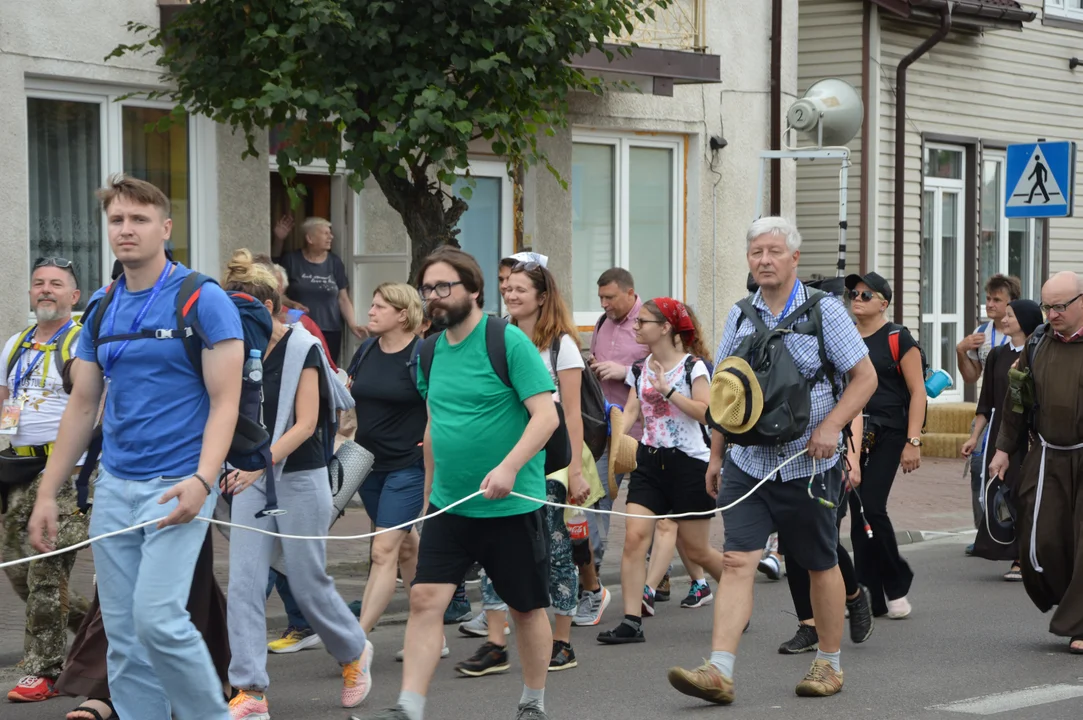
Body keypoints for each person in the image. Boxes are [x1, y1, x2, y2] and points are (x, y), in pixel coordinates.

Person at [27, 174, 242, 719]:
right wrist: (49, 492)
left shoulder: (203, 298)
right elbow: (82, 405)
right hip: (115, 487)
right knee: (123, 636)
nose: (126, 229)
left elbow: (226, 402)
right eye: (117, 220)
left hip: (177, 485)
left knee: (159, 619)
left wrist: (203, 480)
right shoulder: (101, 305)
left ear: (165, 228)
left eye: (139, 219)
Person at [667, 216, 876, 703]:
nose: (763, 259)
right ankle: (719, 671)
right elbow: (726, 393)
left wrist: (830, 429)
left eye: (773, 251)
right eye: (756, 252)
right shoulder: (740, 314)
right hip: (748, 463)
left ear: (794, 258)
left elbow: (864, 378)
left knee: (819, 563)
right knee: (738, 560)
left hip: (808, 465)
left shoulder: (827, 311)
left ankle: (828, 663)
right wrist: (716, 453)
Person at [352, 246, 560, 720]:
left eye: (444, 287)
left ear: (474, 290)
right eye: (427, 288)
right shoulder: (426, 351)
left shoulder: (506, 341)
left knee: (526, 609)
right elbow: (433, 425)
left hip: (511, 505)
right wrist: (428, 497)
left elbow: (545, 417)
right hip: (451, 505)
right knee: (425, 598)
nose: (434, 296)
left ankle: (533, 702)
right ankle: (409, 706)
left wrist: (508, 467)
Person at [220, 250, 370, 718]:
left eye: (239, 311)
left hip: (300, 478)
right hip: (250, 478)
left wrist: (258, 464)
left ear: (265, 308)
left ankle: (353, 651)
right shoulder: (232, 349)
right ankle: (249, 690)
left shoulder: (303, 346)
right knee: (244, 582)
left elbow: (306, 425)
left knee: (308, 582)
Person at [462, 259, 591, 674]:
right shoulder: (495, 337)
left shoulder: (561, 347)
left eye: (520, 288)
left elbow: (572, 416)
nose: (511, 295)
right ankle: (496, 644)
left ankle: (563, 641)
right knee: (491, 547)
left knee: (555, 551)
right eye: (507, 287)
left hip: (547, 465)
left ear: (541, 296)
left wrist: (574, 470)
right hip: (501, 464)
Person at [596, 297, 724, 644]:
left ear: (666, 328)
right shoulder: (640, 369)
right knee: (635, 540)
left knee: (696, 550)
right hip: (650, 460)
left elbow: (705, 413)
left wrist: (667, 389)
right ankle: (631, 621)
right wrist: (617, 439)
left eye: (643, 322)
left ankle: (732, 590)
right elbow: (633, 411)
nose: (636, 327)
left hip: (691, 463)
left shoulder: (693, 367)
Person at [0, 258, 89, 702]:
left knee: (46, 570)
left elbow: (98, 408)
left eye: (57, 284)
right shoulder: (15, 344)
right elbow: (2, 404)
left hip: (65, 475)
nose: (46, 290)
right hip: (15, 471)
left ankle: (44, 670)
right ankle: (97, 633)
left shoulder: (80, 344)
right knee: (19, 571)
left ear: (75, 297)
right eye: (38, 283)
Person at [989, 271, 1083, 655]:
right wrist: (1002, 449)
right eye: (1047, 306)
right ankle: (1067, 600)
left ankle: (1078, 624)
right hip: (1047, 455)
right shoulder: (1039, 343)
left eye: (1060, 306)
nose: (1052, 313)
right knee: (1041, 539)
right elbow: (1017, 400)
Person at [844, 271, 925, 619]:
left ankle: (896, 581)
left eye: (866, 295)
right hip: (852, 434)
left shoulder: (897, 338)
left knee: (873, 507)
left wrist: (913, 441)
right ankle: (868, 593)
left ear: (884, 303)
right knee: (858, 513)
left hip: (891, 432)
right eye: (854, 294)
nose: (857, 299)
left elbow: (917, 391)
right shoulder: (843, 338)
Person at [351, 283, 427, 639]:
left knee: (383, 551)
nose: (371, 311)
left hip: (407, 466)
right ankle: (431, 630)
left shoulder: (423, 354)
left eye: (380, 306)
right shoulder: (366, 349)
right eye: (372, 304)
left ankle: (356, 641)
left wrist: (429, 445)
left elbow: (441, 406)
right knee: (406, 545)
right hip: (366, 467)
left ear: (402, 314)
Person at [574, 268, 648, 627]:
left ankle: (663, 576)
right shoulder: (603, 322)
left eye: (610, 298)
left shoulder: (651, 320)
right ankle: (592, 580)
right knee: (597, 500)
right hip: (604, 431)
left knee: (652, 510)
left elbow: (668, 362)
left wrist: (625, 372)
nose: (604, 304)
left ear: (631, 293)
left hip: (644, 432)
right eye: (600, 298)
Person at [961, 299, 1043, 580]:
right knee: (1001, 492)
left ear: (1026, 320)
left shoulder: (1038, 352)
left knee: (1025, 493)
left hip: (1030, 434)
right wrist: (975, 437)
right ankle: (1011, 549)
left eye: (1010, 315)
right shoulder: (996, 354)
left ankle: (1024, 558)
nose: (1004, 319)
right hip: (1000, 431)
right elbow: (986, 402)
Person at [779, 414, 874, 654]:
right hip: (787, 460)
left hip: (829, 461)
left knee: (822, 540)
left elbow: (855, 407)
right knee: (790, 539)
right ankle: (808, 625)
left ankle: (854, 596)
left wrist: (852, 459)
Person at [957, 274, 1022, 548]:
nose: (990, 304)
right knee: (977, 467)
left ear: (1012, 304)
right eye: (988, 299)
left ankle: (1011, 530)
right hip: (989, 409)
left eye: (997, 300)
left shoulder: (1026, 334)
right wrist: (961, 351)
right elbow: (972, 377)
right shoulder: (982, 333)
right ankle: (983, 530)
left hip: (1016, 412)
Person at [276, 217, 365, 365]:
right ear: (310, 238)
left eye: (330, 233)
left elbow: (343, 298)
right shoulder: (292, 260)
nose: (331, 237)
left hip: (330, 329)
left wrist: (353, 324)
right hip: (298, 327)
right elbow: (278, 293)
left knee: (327, 369)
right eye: (325, 233)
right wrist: (292, 304)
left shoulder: (334, 262)